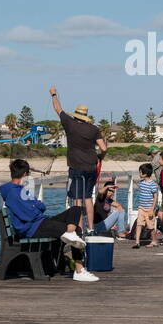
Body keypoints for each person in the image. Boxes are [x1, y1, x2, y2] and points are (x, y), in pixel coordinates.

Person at [1, 159, 97, 280]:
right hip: (33, 228)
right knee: (78, 229)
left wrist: (34, 206)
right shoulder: (14, 193)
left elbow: (41, 207)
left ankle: (69, 232)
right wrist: (35, 206)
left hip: (40, 223)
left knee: (76, 209)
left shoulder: (20, 190)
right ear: (25, 174)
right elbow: (30, 214)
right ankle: (79, 270)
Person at [50, 85, 107, 240]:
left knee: (77, 199)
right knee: (88, 197)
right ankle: (90, 228)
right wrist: (99, 157)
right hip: (91, 167)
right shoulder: (93, 129)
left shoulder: (69, 124)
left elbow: (57, 108)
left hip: (76, 166)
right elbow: (103, 147)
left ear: (75, 115)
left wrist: (53, 94)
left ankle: (79, 229)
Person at [131, 163, 163, 248]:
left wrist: (152, 209)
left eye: (140, 172)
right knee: (139, 224)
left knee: (150, 226)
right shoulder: (141, 183)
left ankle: (154, 241)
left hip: (149, 209)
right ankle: (137, 242)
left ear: (144, 174)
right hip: (141, 207)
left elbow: (155, 197)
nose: (139, 173)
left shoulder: (153, 184)